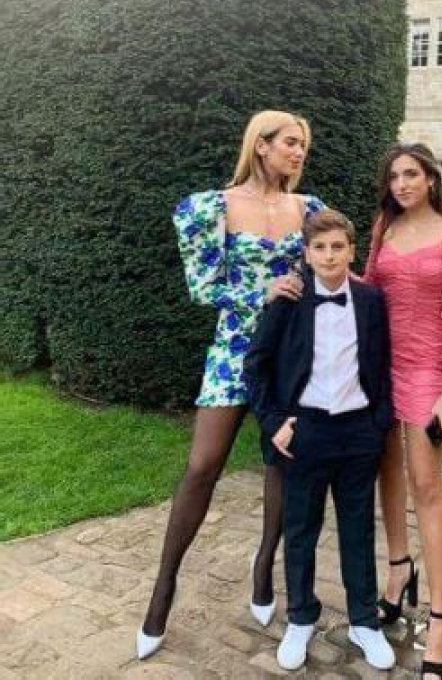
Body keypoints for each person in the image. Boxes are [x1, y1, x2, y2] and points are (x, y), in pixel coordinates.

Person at [136, 110, 324, 660]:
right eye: (290, 142)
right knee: (202, 466)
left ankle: (264, 565)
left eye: (303, 145)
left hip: (288, 355)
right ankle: (164, 587)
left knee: (281, 464)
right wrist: (258, 294)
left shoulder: (308, 209)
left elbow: (325, 272)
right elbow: (202, 288)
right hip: (234, 350)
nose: (299, 152)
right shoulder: (211, 207)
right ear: (261, 145)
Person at [244, 209, 396, 672]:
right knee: (301, 529)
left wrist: (378, 423)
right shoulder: (288, 300)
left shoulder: (370, 300)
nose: (329, 256)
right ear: (306, 255)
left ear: (352, 251)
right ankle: (301, 617)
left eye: (337, 247)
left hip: (357, 432)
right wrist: (274, 422)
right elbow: (256, 366)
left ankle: (364, 621)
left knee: (358, 529)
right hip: (304, 431)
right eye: (320, 248)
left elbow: (381, 364)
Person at [363, 143, 442, 680]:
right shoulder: (383, 228)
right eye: (393, 177)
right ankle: (397, 570)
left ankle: (439, 622)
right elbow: (366, 291)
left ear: (430, 178)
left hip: (427, 370)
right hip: (380, 368)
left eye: (410, 174)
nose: (401, 184)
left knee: (427, 488)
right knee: (387, 473)